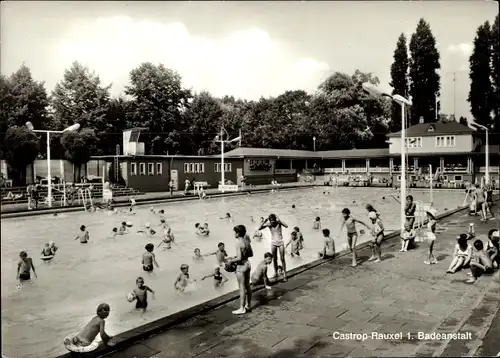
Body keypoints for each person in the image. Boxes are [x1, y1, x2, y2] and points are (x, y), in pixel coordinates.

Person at [226, 225, 253, 315]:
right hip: (248, 264)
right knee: (247, 286)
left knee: (241, 287)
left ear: (237, 233)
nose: (234, 233)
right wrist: (241, 255)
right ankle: (248, 305)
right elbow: (251, 254)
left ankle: (242, 308)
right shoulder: (246, 240)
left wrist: (231, 260)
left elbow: (239, 257)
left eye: (234, 232)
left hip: (241, 266)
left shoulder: (238, 242)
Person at [259, 214, 289, 281]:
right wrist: (265, 221)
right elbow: (259, 228)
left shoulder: (278, 222)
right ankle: (275, 273)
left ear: (275, 219)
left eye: (273, 221)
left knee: (282, 258)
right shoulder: (269, 224)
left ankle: (285, 275)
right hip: (273, 243)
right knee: (274, 259)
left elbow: (286, 226)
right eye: (271, 221)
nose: (272, 222)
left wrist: (279, 218)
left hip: (280, 242)